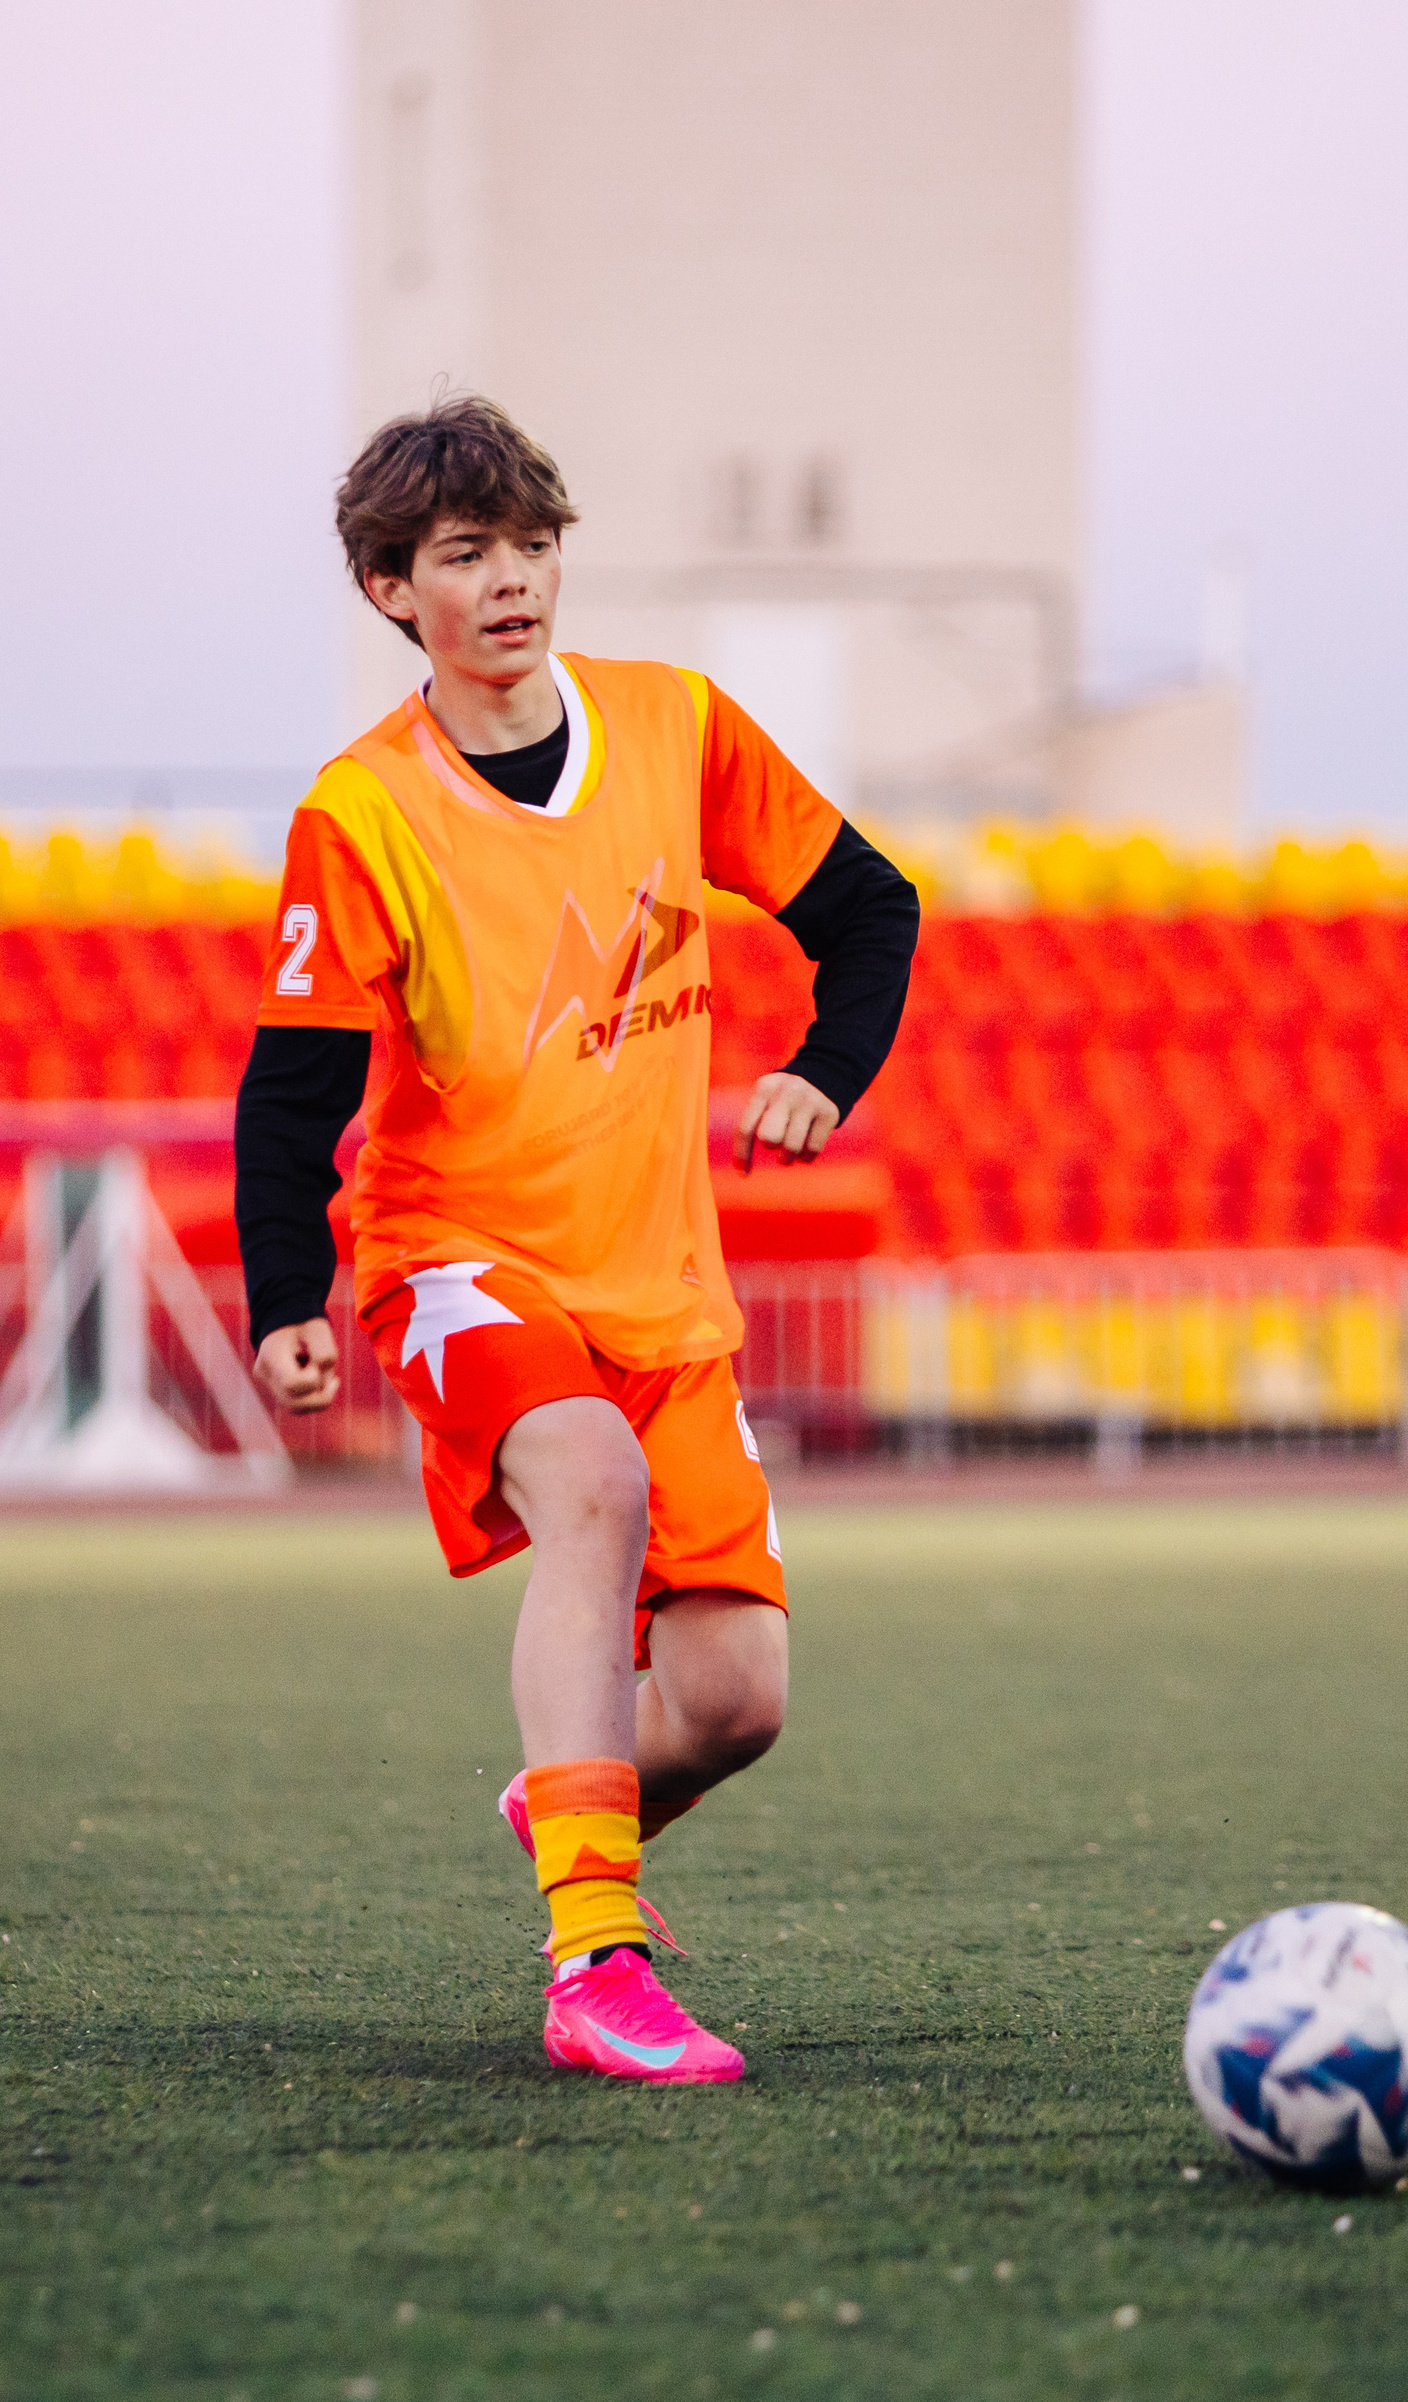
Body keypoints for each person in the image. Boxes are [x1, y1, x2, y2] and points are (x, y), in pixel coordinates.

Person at [236, 395, 918, 2083]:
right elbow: (290, 1086)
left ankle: (570, 1804)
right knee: (590, 1483)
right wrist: (284, 1295)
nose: (513, 579)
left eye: (532, 544)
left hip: (664, 1290)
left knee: (738, 1697)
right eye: (465, 555)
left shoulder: (677, 727)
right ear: (396, 590)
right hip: (462, 1261)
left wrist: (827, 1071)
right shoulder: (365, 811)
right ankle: (592, 1962)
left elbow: (870, 909)